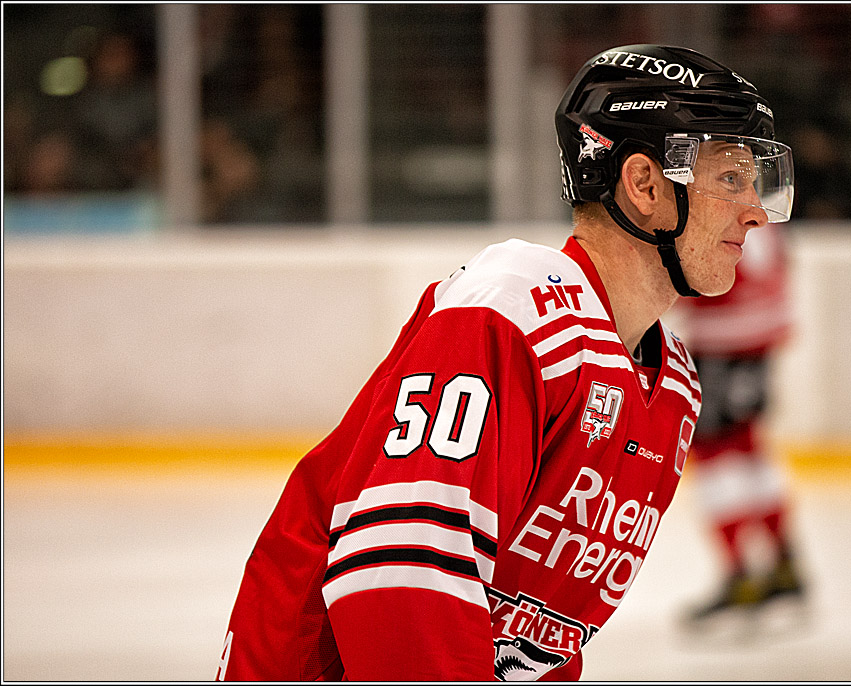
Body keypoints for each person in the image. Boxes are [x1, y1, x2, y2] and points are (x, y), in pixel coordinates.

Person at [218, 43, 795, 681]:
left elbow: (536, 634)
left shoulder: (674, 387)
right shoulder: (511, 306)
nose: (755, 211)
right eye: (731, 180)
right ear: (645, 186)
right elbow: (403, 576)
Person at [665, 219, 808, 629]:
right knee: (748, 446)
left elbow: (692, 280)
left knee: (712, 455)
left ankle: (739, 573)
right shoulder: (762, 215)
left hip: (720, 346)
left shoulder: (716, 211)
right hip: (758, 342)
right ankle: (784, 563)